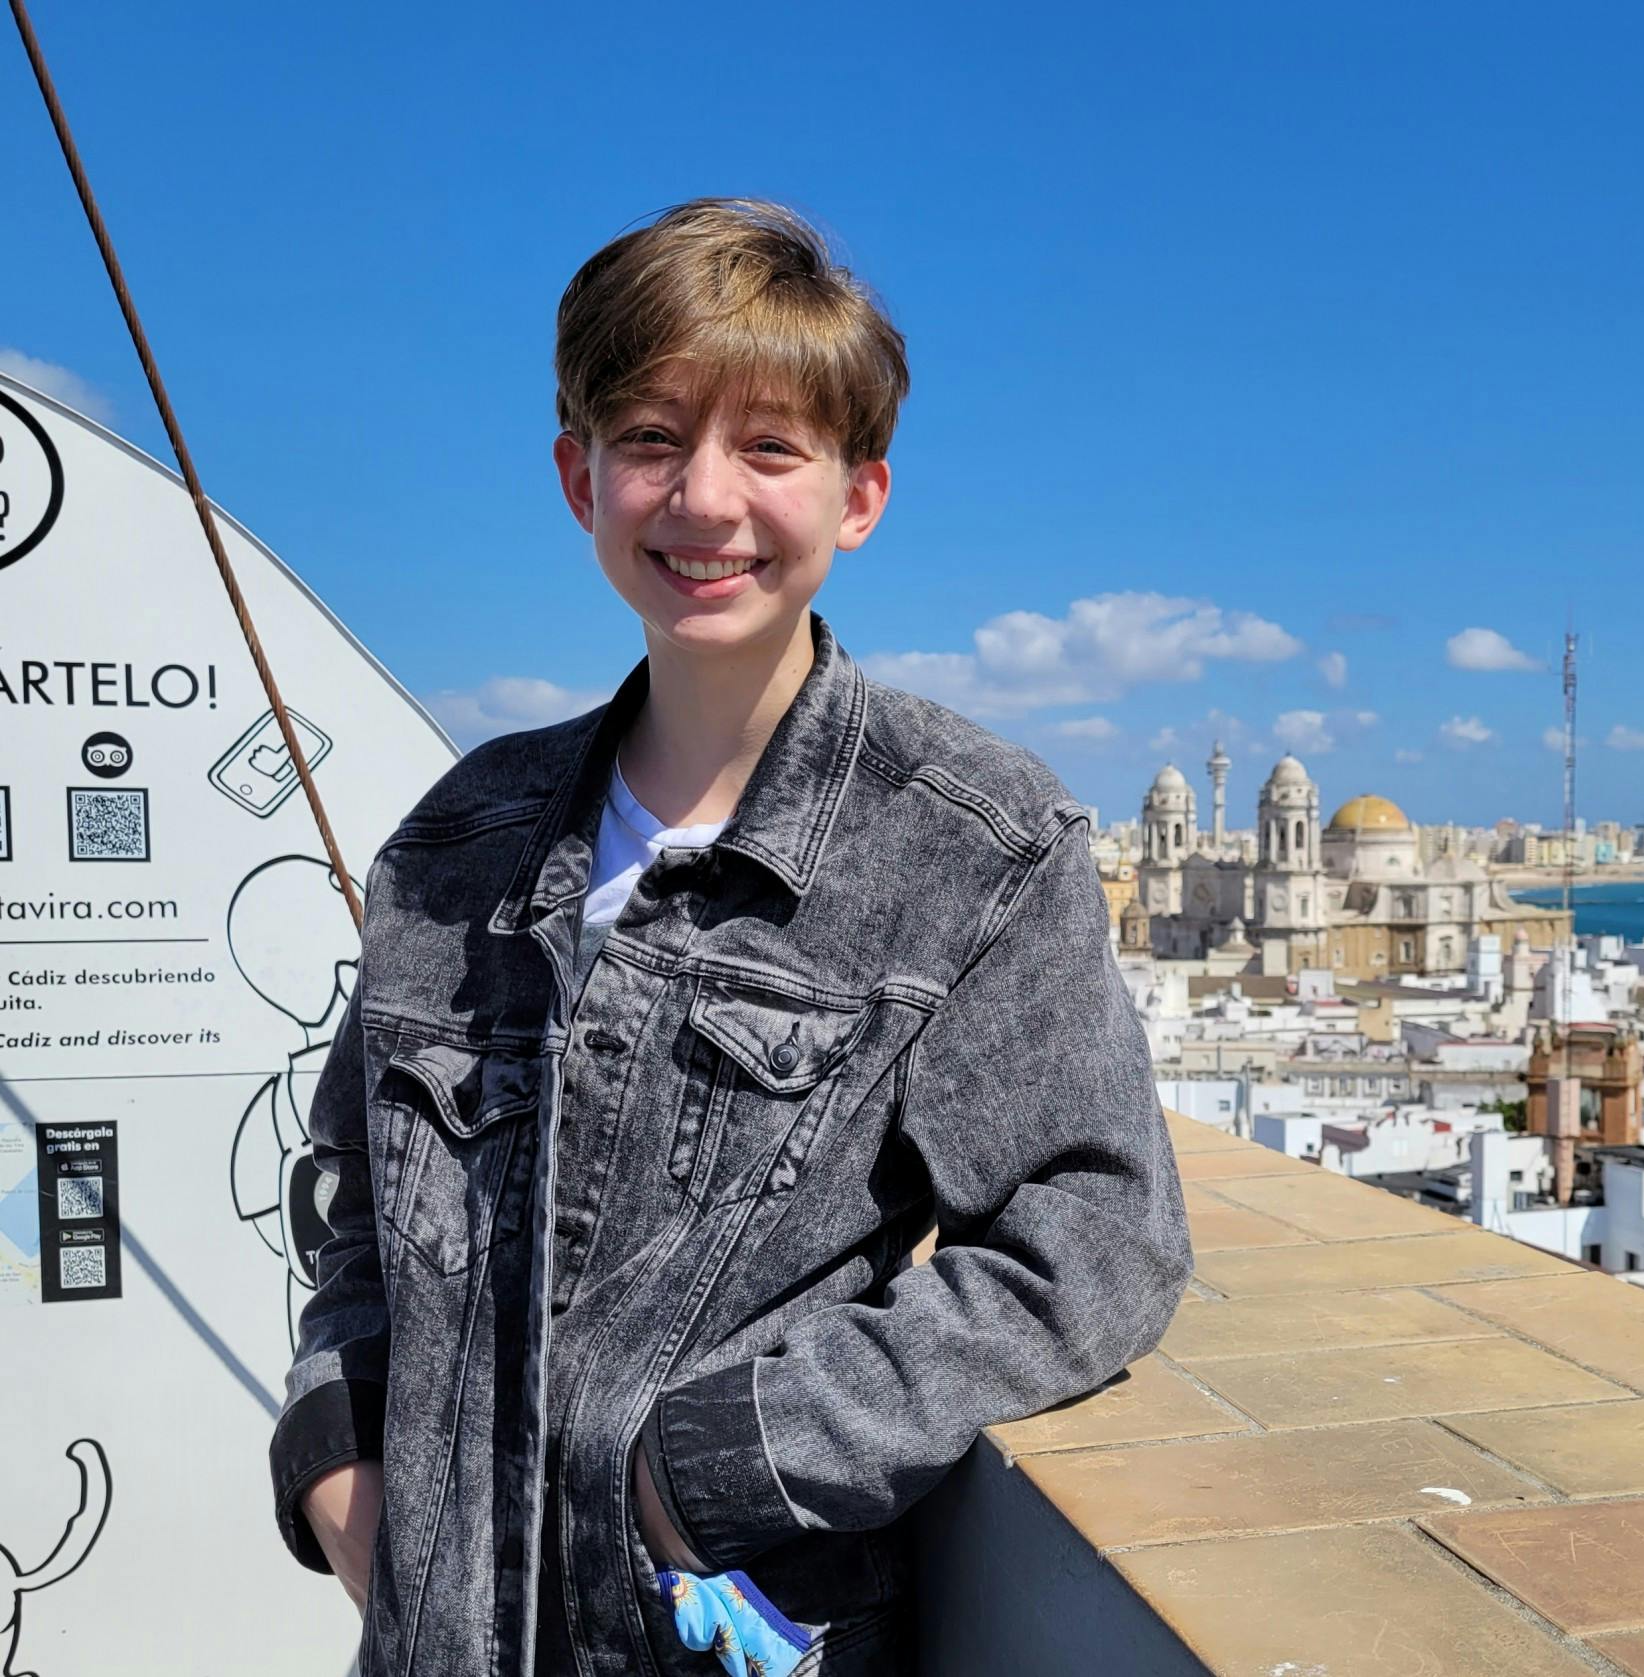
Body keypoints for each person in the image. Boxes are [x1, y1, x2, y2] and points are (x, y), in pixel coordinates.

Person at [266, 197, 1194, 1676]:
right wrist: (337, 1454)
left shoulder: (969, 846)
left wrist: (714, 1461)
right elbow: (362, 1213)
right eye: (650, 439)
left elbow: (1097, 1237)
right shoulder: (460, 843)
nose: (704, 499)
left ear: (859, 493)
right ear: (580, 480)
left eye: (770, 448)